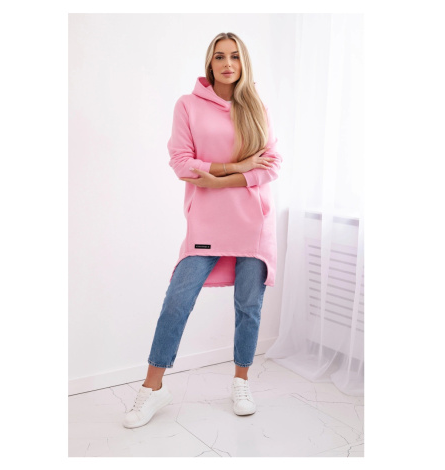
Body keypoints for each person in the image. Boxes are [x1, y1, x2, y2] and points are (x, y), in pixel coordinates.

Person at [123, 32, 282, 429]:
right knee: (177, 301)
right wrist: (236, 167)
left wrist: (217, 179)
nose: (228, 64)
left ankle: (241, 382)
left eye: (235, 57)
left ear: (243, 63)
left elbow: (273, 165)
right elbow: (181, 162)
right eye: (220, 56)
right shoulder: (188, 105)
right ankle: (153, 388)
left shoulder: (257, 105)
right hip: (207, 221)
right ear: (209, 63)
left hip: (254, 223)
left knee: (249, 306)